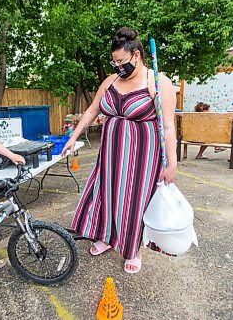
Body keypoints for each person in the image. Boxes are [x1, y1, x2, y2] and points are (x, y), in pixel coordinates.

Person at [61, 27, 177, 274]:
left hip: (142, 157)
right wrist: (73, 137)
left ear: (136, 55)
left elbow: (168, 126)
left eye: (121, 61)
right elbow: (92, 111)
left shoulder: (158, 81)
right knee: (107, 195)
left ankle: (133, 249)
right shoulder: (111, 81)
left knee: (134, 202)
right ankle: (106, 236)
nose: (117, 67)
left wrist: (172, 164)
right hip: (111, 154)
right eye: (114, 62)